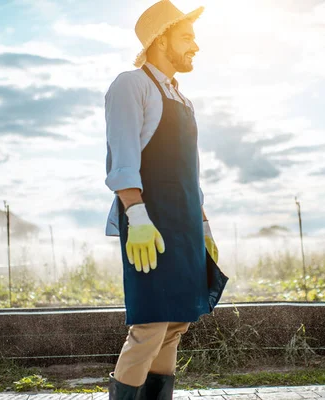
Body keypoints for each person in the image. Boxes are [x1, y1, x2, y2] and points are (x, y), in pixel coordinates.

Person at [104, 1, 227, 398]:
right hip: (149, 222)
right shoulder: (131, 84)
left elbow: (188, 174)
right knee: (151, 325)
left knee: (176, 324)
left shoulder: (183, 100)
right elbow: (122, 162)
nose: (196, 46)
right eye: (187, 36)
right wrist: (136, 217)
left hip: (185, 221)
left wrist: (203, 224)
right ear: (161, 40)